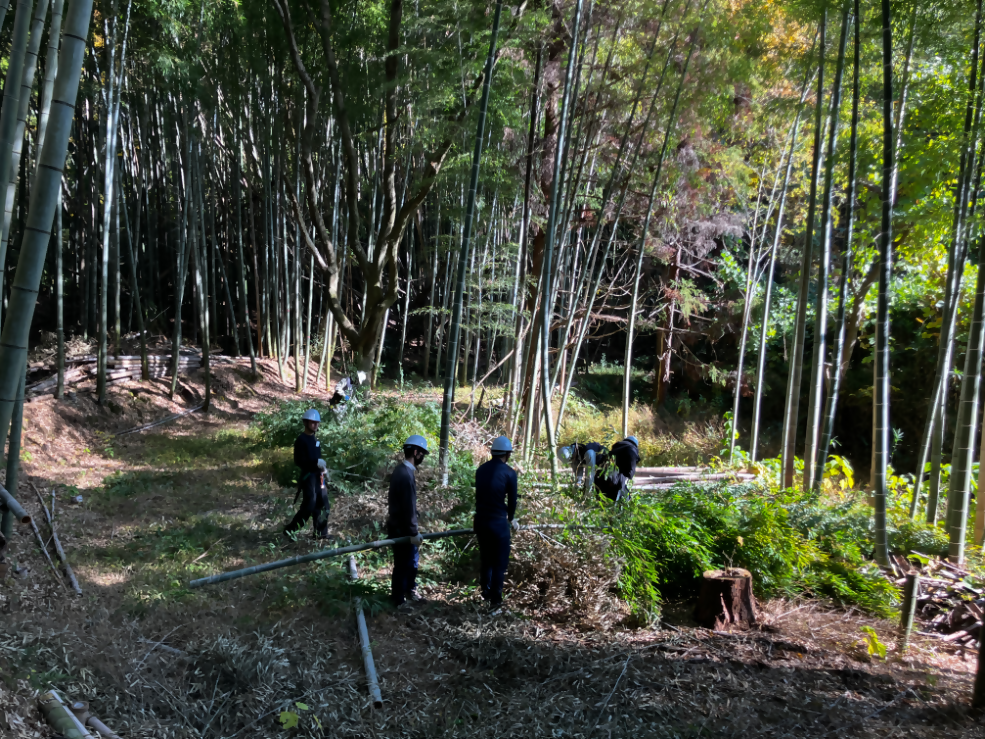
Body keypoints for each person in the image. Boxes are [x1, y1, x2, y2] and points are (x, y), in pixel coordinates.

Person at [474, 436, 519, 612]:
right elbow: (513, 500)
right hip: (498, 522)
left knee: (486, 559)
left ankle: (485, 592)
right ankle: (495, 601)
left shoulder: (480, 470)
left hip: (481, 520)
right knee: (499, 562)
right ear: (507, 454)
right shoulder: (509, 473)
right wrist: (511, 517)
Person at [387, 434, 428, 606]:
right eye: (422, 454)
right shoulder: (405, 475)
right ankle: (398, 599)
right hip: (401, 528)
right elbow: (408, 507)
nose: (423, 458)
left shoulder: (401, 470)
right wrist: (413, 532)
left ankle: (409, 590)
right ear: (416, 452)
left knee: (410, 562)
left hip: (399, 525)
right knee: (403, 564)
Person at [284, 408, 330, 539]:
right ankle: (290, 531)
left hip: (318, 477)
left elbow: (318, 458)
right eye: (312, 422)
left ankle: (320, 534)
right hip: (308, 477)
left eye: (317, 423)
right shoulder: (301, 440)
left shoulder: (315, 440)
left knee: (323, 504)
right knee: (309, 505)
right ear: (306, 423)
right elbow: (299, 461)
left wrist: (323, 469)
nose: (315, 425)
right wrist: (315, 462)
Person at [595, 435, 641, 502]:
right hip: (613, 482)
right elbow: (630, 473)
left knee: (604, 503)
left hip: (599, 480)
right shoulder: (631, 449)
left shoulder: (615, 449)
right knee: (625, 501)